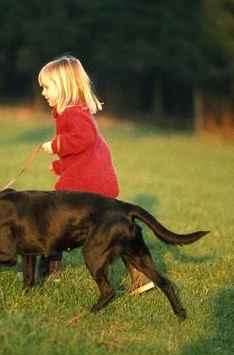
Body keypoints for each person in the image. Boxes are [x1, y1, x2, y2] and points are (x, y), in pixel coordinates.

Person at [38, 55, 154, 295]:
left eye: (48, 87)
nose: (43, 92)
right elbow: (83, 155)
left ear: (66, 87)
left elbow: (84, 139)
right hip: (98, 185)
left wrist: (56, 145)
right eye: (42, 87)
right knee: (113, 231)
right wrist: (59, 167)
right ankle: (141, 278)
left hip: (84, 189)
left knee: (51, 223)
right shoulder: (76, 111)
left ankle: (48, 273)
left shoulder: (71, 114)